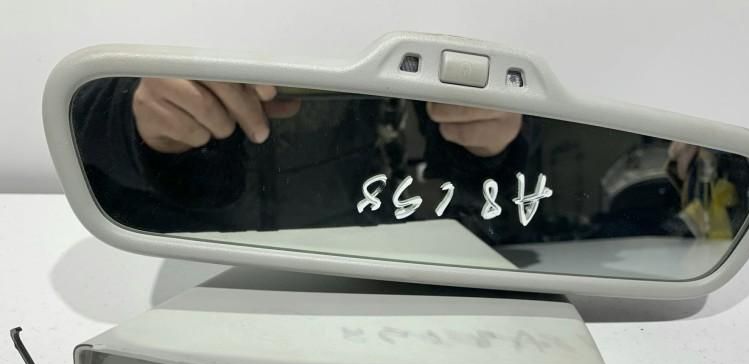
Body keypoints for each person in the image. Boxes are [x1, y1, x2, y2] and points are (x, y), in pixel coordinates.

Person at [71, 78, 536, 241]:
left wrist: (488, 147)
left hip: (355, 252)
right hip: (186, 252)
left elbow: (461, 116)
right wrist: (138, 113)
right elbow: (80, 112)